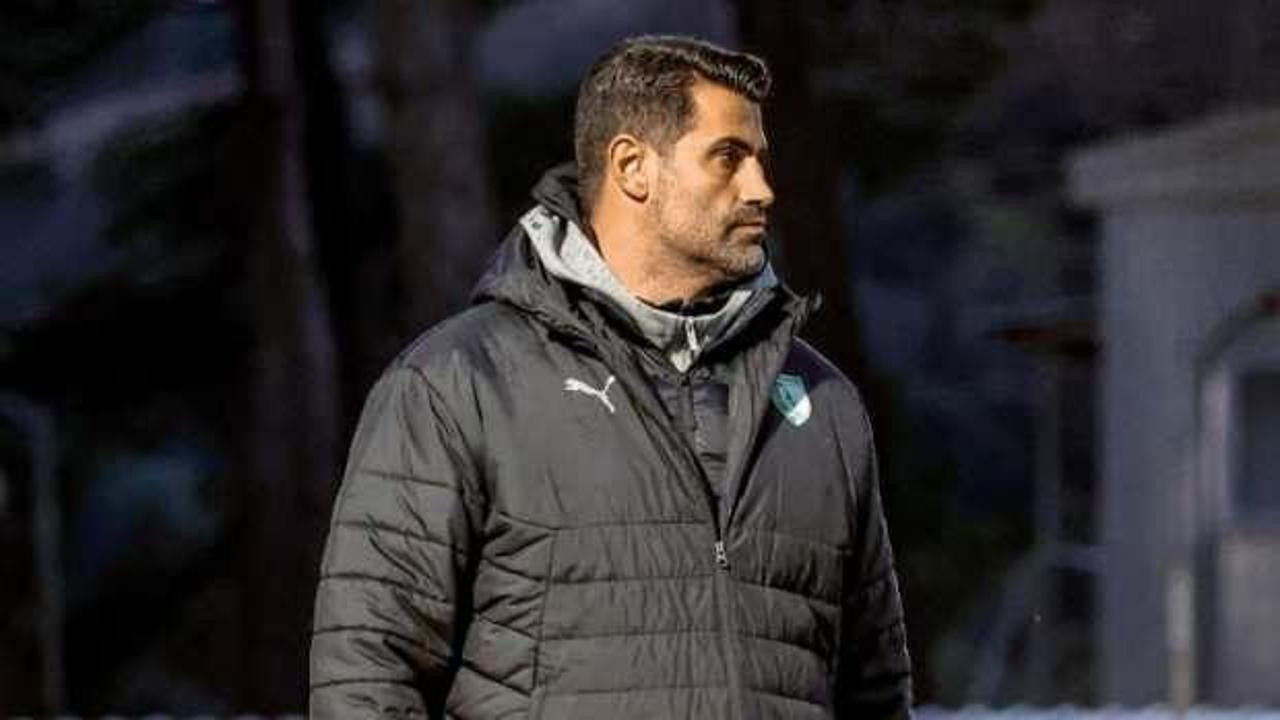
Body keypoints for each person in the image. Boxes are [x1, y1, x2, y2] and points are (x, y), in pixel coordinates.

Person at [310, 35, 912, 719]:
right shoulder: (456, 387)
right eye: (728, 157)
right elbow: (366, 675)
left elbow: (876, 688)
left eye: (760, 160)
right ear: (632, 167)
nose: (761, 189)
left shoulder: (823, 405)